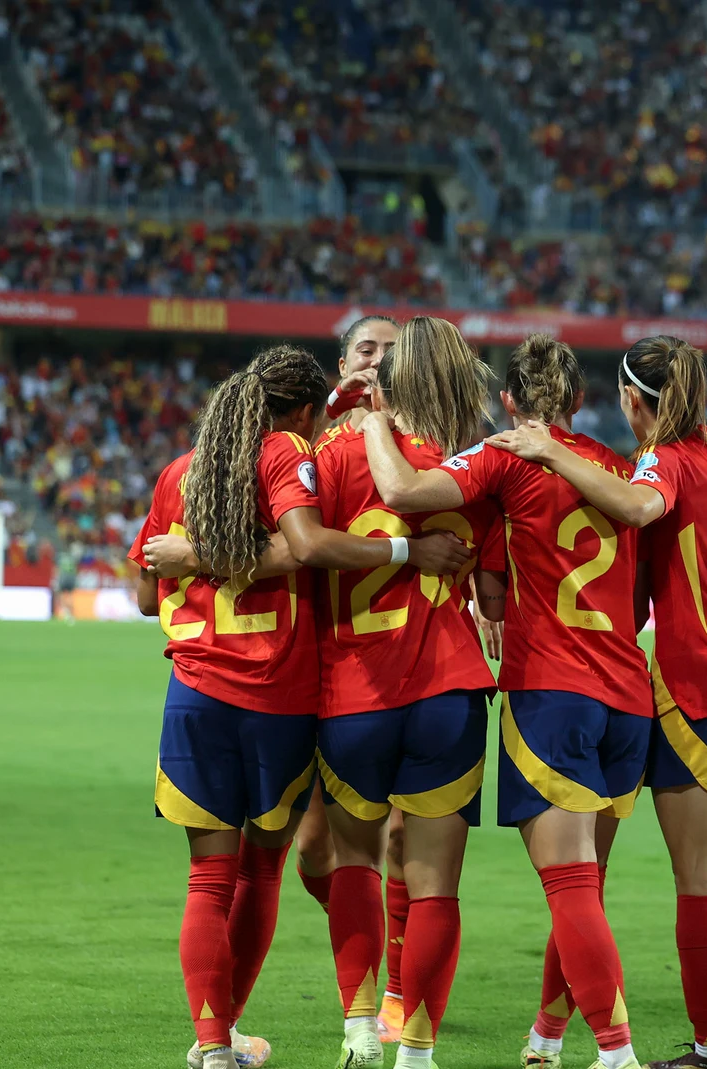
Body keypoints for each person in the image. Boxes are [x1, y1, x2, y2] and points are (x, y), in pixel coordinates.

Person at [129, 343, 462, 1069]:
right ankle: (372, 1027)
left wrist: (199, 556)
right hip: (279, 699)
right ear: (304, 412)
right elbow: (307, 547)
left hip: (193, 695)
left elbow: (145, 587)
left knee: (207, 880)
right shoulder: (288, 455)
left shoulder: (180, 473)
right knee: (260, 871)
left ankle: (216, 1044)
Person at [486, 336, 707, 1069]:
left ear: (631, 399)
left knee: (698, 875)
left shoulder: (665, 457)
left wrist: (550, 451)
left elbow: (636, 504)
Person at [359, 334, 650, 1069]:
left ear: (509, 401)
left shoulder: (506, 455)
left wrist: (372, 421)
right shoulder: (619, 469)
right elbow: (642, 595)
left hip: (554, 691)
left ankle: (617, 1055)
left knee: (572, 886)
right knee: (585, 883)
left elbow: (403, 495)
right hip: (628, 695)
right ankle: (547, 1035)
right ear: (581, 400)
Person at [309, 317, 504, 1069]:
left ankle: (359, 1027)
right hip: (449, 690)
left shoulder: (330, 455)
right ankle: (416, 1050)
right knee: (434, 887)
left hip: (353, 687)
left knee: (352, 865)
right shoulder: (473, 466)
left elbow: (295, 547)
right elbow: (495, 591)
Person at [297, 312, 417, 1043]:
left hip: (412, 663)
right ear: (341, 360)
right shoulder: (308, 443)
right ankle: (372, 949)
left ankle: (397, 989)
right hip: (327, 666)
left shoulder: (427, 439)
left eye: (391, 352)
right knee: (316, 850)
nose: (377, 360)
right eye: (366, 348)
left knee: (403, 839)